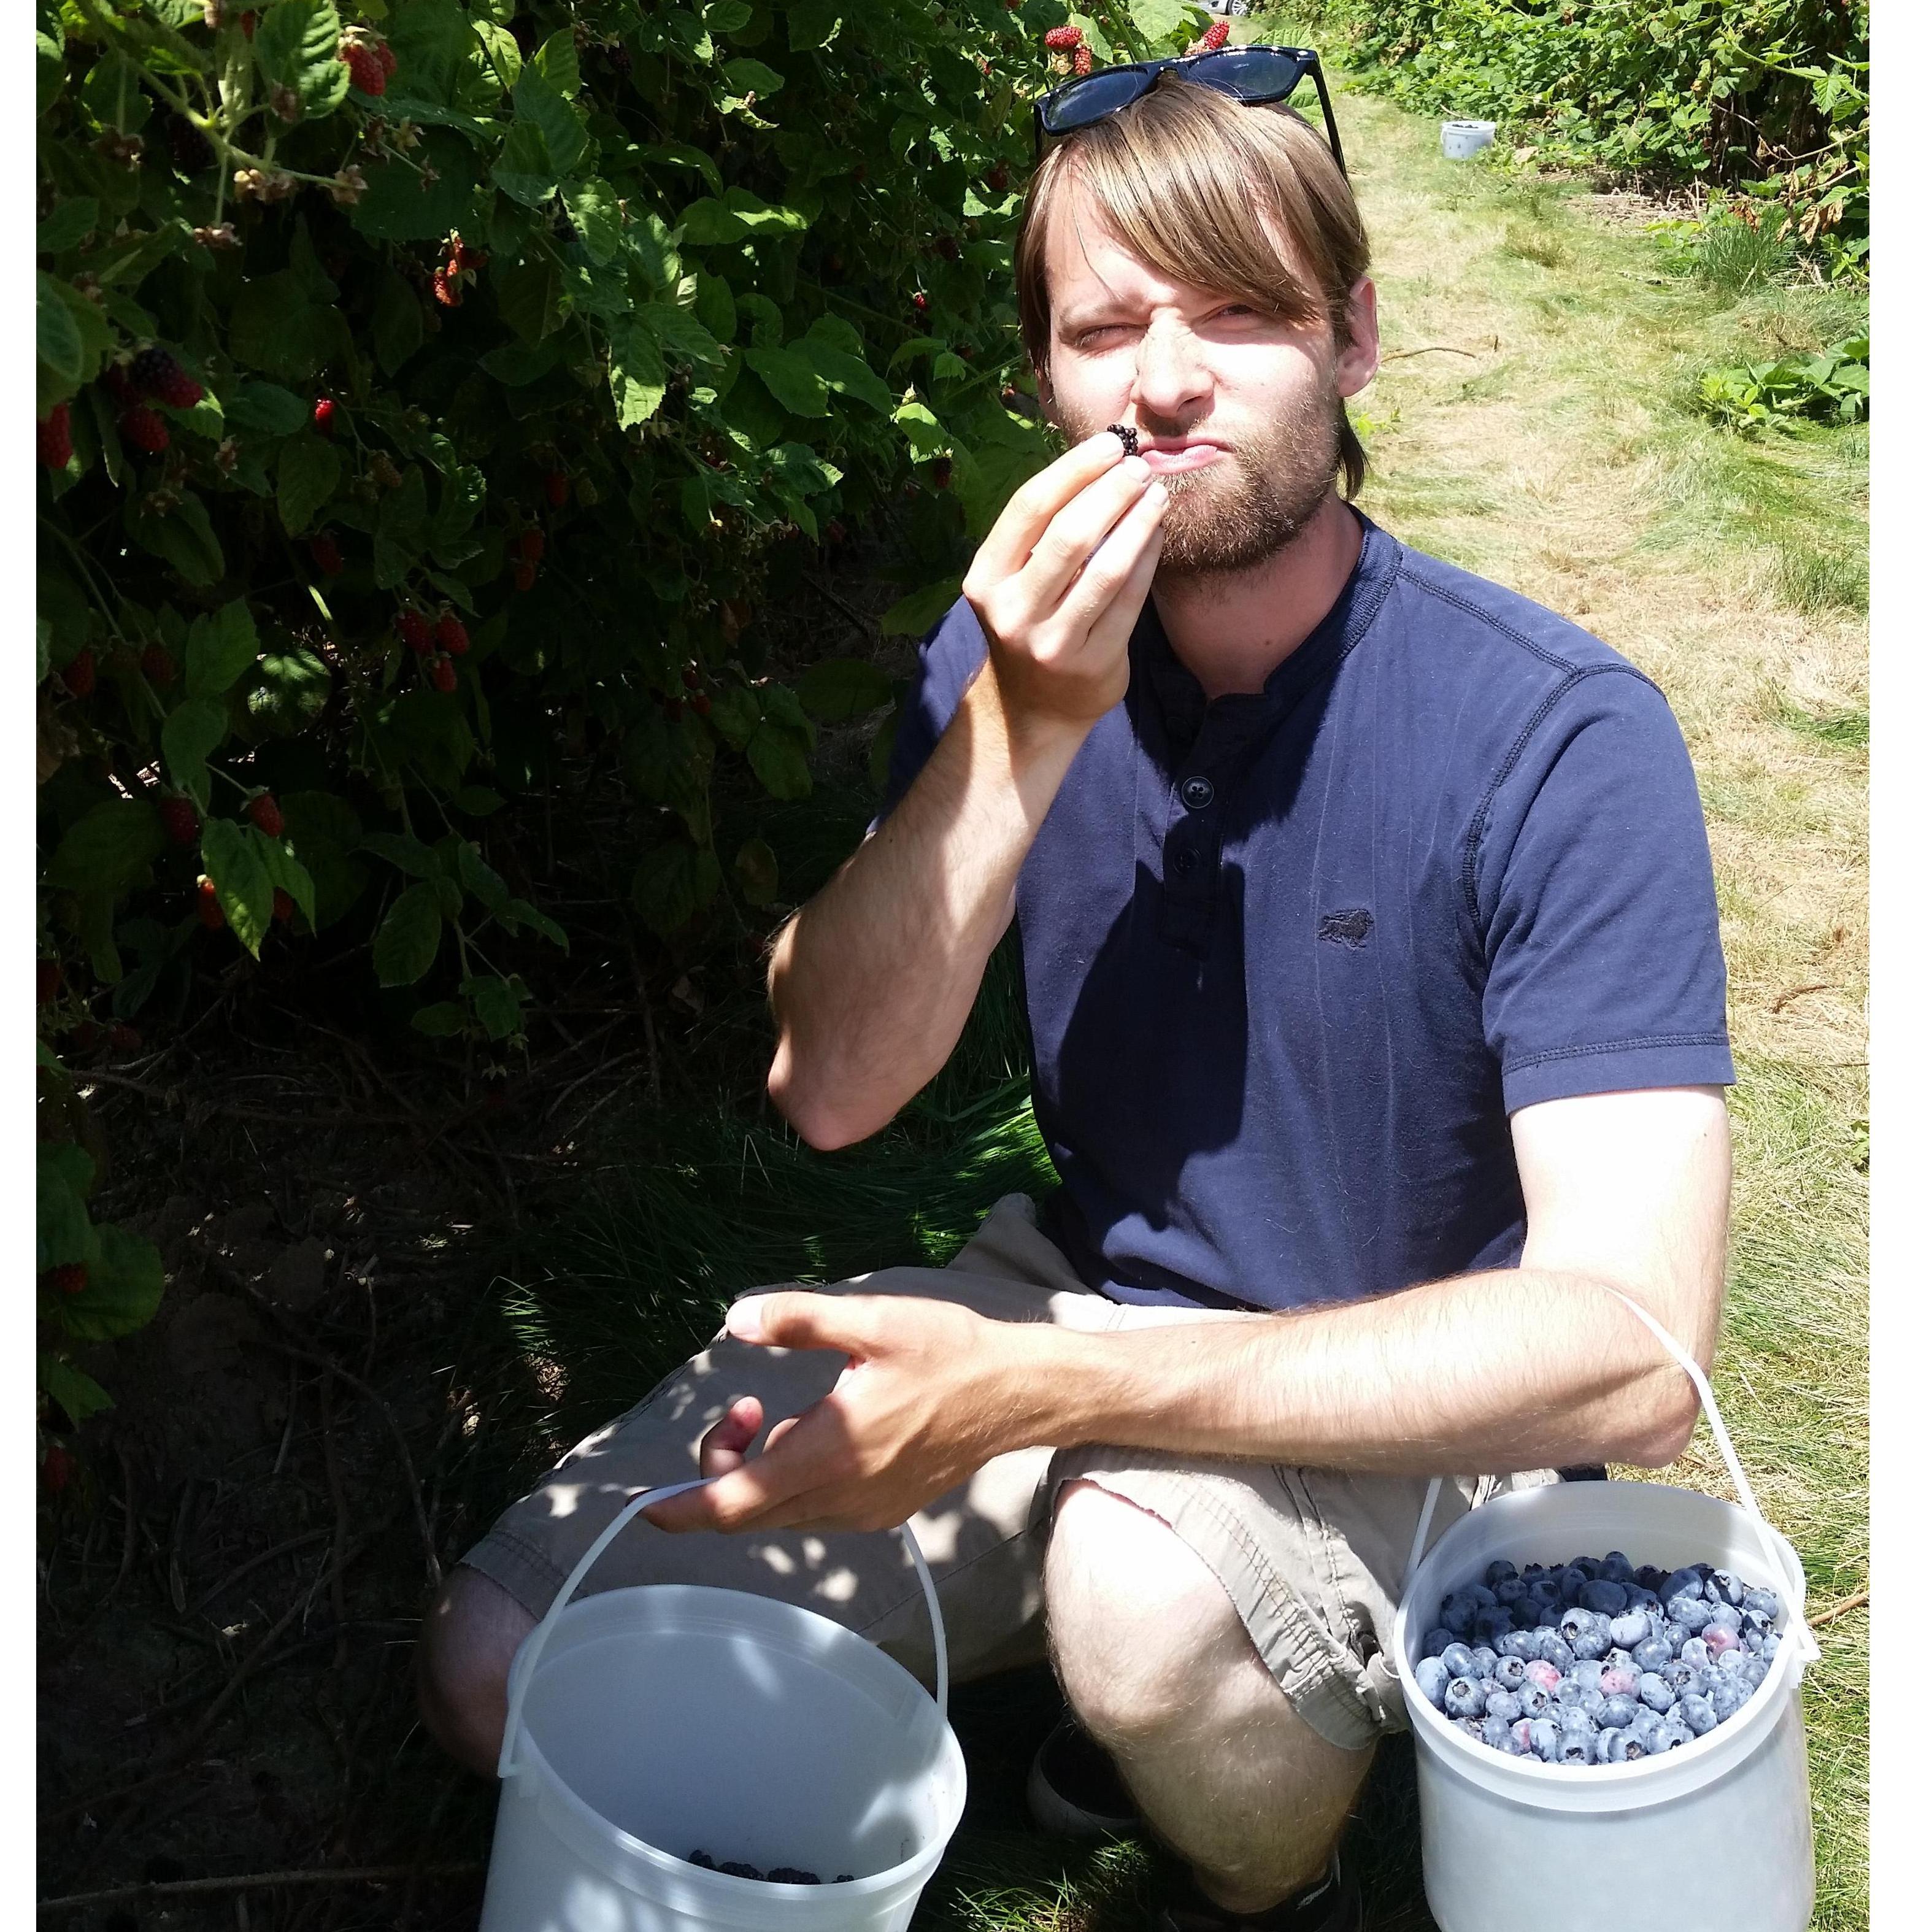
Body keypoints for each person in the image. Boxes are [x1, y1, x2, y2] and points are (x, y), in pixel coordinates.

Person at [418, 61, 1734, 1932]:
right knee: (494, 1672)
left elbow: (1631, 1347)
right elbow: (836, 1088)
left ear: (1353, 336)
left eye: (1244, 312)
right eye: (1106, 325)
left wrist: (1044, 1389)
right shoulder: (1011, 661)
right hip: (1076, 1305)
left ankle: (1243, 1861)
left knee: (1136, 1588)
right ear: (1046, 380)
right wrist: (1020, 734)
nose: (1167, 378)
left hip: (1422, 1405)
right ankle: (1111, 1648)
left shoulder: (1557, 737)